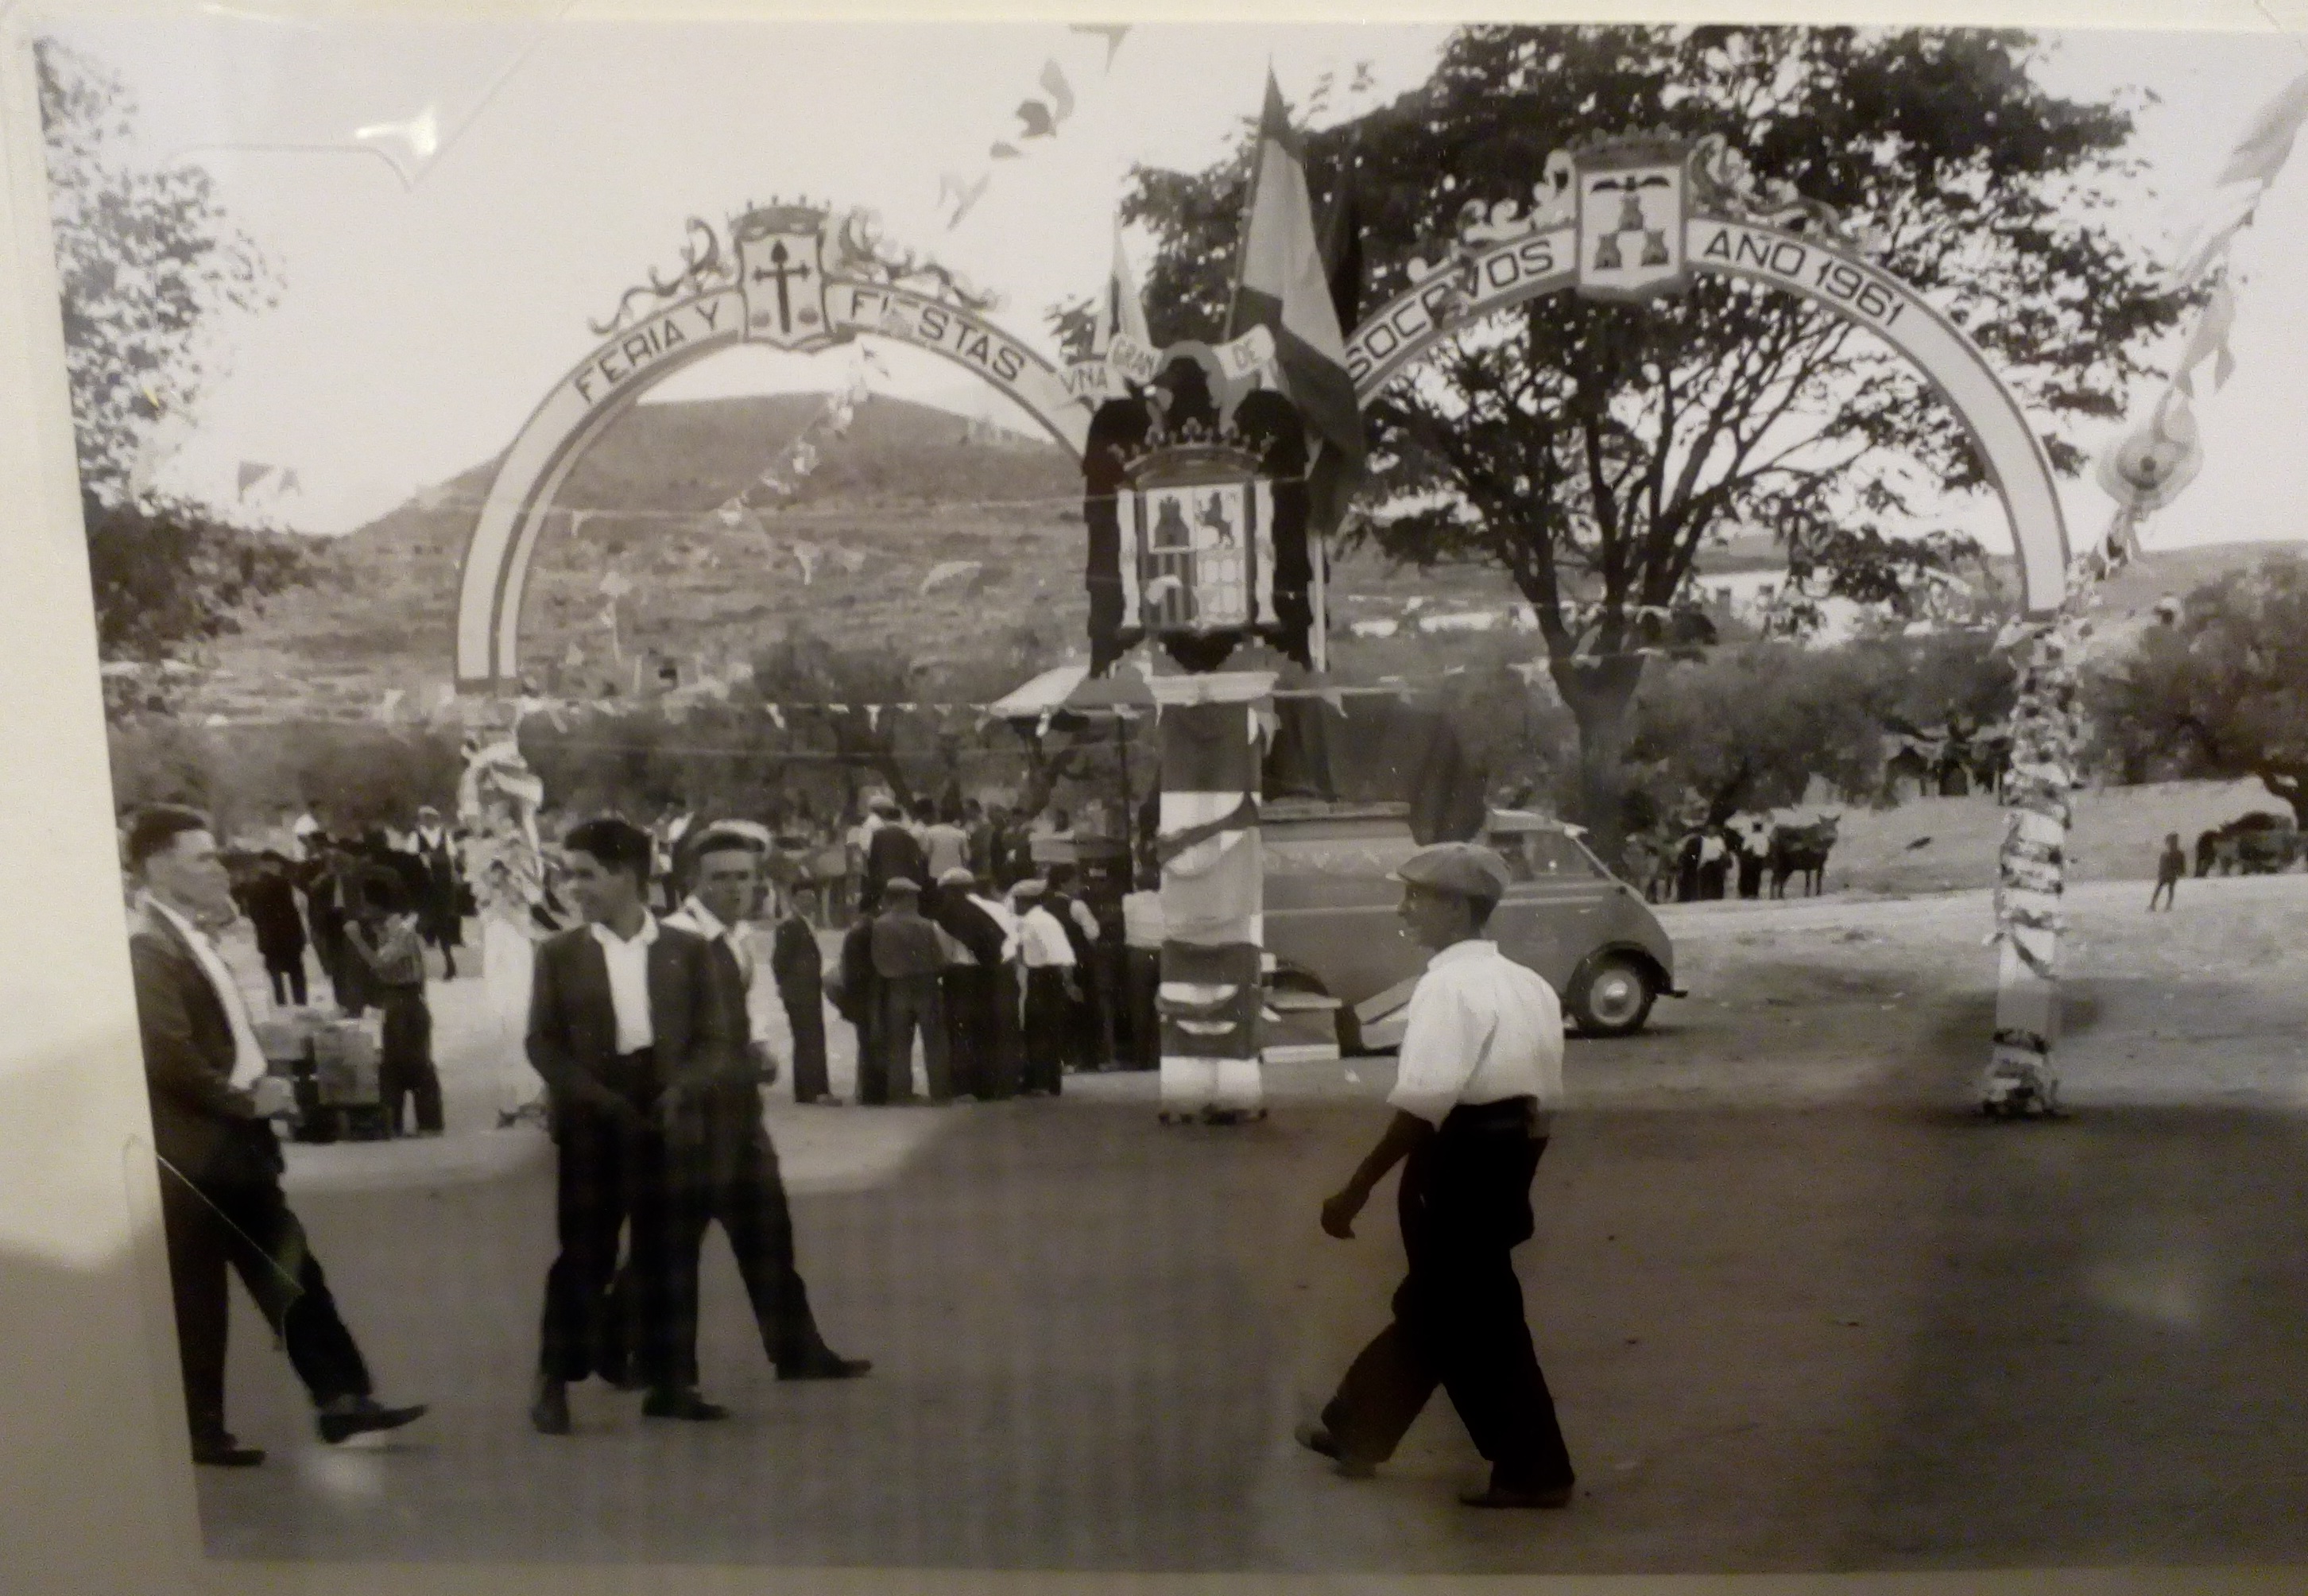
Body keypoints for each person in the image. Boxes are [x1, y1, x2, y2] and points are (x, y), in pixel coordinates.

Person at [123, 806, 427, 1467]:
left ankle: (343, 1399)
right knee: (199, 1294)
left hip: (233, 1143)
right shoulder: (149, 947)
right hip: (197, 1151)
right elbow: (167, 1054)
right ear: (157, 867)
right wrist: (244, 1098)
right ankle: (201, 1429)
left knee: (289, 1267)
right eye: (202, 858)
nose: (218, 869)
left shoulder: (187, 938)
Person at [1299, 841, 1577, 1511]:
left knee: (1474, 1320)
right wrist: (1517, 1190)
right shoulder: (1530, 985)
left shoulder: (1447, 988)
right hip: (1506, 1157)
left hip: (1450, 1161)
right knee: (1441, 1305)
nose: (1404, 909)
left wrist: (1357, 1187)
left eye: (1416, 898)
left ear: (1456, 908)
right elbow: (1545, 1107)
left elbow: (1422, 1106)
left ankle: (1534, 1471)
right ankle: (1357, 1429)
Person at [525, 817, 738, 1435]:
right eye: (571, 875)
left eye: (585, 874)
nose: (574, 888)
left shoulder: (687, 949)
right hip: (595, 1119)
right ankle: (554, 1379)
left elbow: (715, 1039)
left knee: (669, 1254)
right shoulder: (559, 954)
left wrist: (683, 1090)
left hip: (667, 1112)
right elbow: (542, 1043)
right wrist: (594, 1097)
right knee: (585, 1254)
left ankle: (672, 1383)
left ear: (626, 876)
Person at [659, 829, 870, 1382]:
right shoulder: (674, 941)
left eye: (744, 877)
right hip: (694, 1118)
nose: (735, 888)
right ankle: (623, 1349)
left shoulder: (739, 936)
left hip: (740, 1113)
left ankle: (797, 1351)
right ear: (692, 883)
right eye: (720, 878)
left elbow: (742, 1014)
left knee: (767, 1233)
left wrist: (759, 1050)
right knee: (673, 1247)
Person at [346, 877, 444, 1137]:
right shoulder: (385, 929)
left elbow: (382, 963)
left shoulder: (402, 930)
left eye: (367, 905)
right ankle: (395, 1122)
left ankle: (429, 1123)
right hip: (394, 998)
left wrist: (357, 940)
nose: (364, 912)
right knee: (392, 1061)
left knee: (415, 1062)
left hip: (406, 999)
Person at [929, 866, 1009, 1101]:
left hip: (959, 977)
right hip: (988, 976)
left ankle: (964, 1087)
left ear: (948, 891)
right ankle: (989, 1086)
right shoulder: (985, 911)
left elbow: (942, 954)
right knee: (985, 1029)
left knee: (960, 1030)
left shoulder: (944, 917)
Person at [869, 877, 951, 1103]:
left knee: (898, 1043)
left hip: (896, 987)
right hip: (926, 986)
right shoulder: (926, 925)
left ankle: (900, 1093)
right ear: (907, 898)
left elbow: (876, 960)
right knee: (934, 1042)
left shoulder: (880, 925)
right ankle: (940, 1092)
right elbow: (939, 960)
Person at [1013, 880, 1076, 1098]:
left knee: (1040, 1030)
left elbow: (1061, 956)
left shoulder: (1037, 922)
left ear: (1024, 901)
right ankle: (1048, 1080)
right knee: (1044, 1030)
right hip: (1044, 976)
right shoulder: (1040, 920)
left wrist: (1067, 984)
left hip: (1045, 977)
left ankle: (1041, 1080)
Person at [773, 884, 834, 1104]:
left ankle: (809, 1091)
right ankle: (814, 1091)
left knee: (808, 1040)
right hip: (800, 993)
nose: (810, 901)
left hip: (805, 991)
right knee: (809, 1040)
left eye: (812, 897)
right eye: (804, 897)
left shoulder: (802, 923)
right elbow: (779, 961)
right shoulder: (791, 925)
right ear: (795, 899)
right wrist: (786, 987)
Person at [232, 850, 310, 1009]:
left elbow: (253, 914)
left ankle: (281, 1004)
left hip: (268, 938)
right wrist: (300, 935)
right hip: (289, 937)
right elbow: (291, 913)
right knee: (296, 974)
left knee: (275, 974)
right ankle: (301, 1005)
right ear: (273, 865)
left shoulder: (253, 888)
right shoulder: (283, 884)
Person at [831, 911, 882, 1102]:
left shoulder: (854, 934)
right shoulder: (870, 933)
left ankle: (864, 1092)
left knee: (865, 1043)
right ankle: (872, 1093)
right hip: (869, 995)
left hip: (857, 997)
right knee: (873, 1044)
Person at [410, 805, 465, 979]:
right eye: (425, 818)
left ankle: (450, 964)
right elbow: (411, 859)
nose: (428, 821)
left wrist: (453, 877)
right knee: (419, 924)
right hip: (423, 886)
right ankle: (415, 967)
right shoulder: (415, 837)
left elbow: (452, 857)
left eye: (432, 818)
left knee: (443, 924)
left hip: (442, 886)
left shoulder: (444, 836)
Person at [862, 800, 928, 918]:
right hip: (904, 878)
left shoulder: (878, 835)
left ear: (887, 818)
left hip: (883, 878)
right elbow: (915, 860)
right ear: (900, 818)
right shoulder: (907, 836)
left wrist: (872, 879)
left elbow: (872, 859)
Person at [2151, 831, 2188, 912]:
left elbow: (2181, 864)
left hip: (2169, 874)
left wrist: (2181, 871)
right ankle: (2161, 905)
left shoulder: (2171, 854)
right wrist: (2181, 872)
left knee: (2163, 889)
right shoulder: (2171, 854)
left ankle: (2157, 904)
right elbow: (2163, 865)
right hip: (2169, 874)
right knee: (2167, 889)